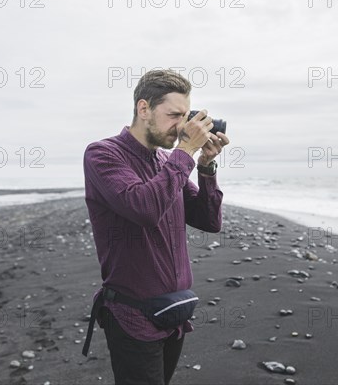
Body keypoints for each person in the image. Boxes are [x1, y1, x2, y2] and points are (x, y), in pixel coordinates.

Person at [82, 69, 230, 384]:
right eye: (173, 115)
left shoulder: (166, 163)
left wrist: (205, 167)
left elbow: (210, 221)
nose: (181, 126)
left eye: (185, 116)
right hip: (133, 316)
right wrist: (186, 151)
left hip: (175, 311)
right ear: (144, 109)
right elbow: (145, 208)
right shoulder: (104, 155)